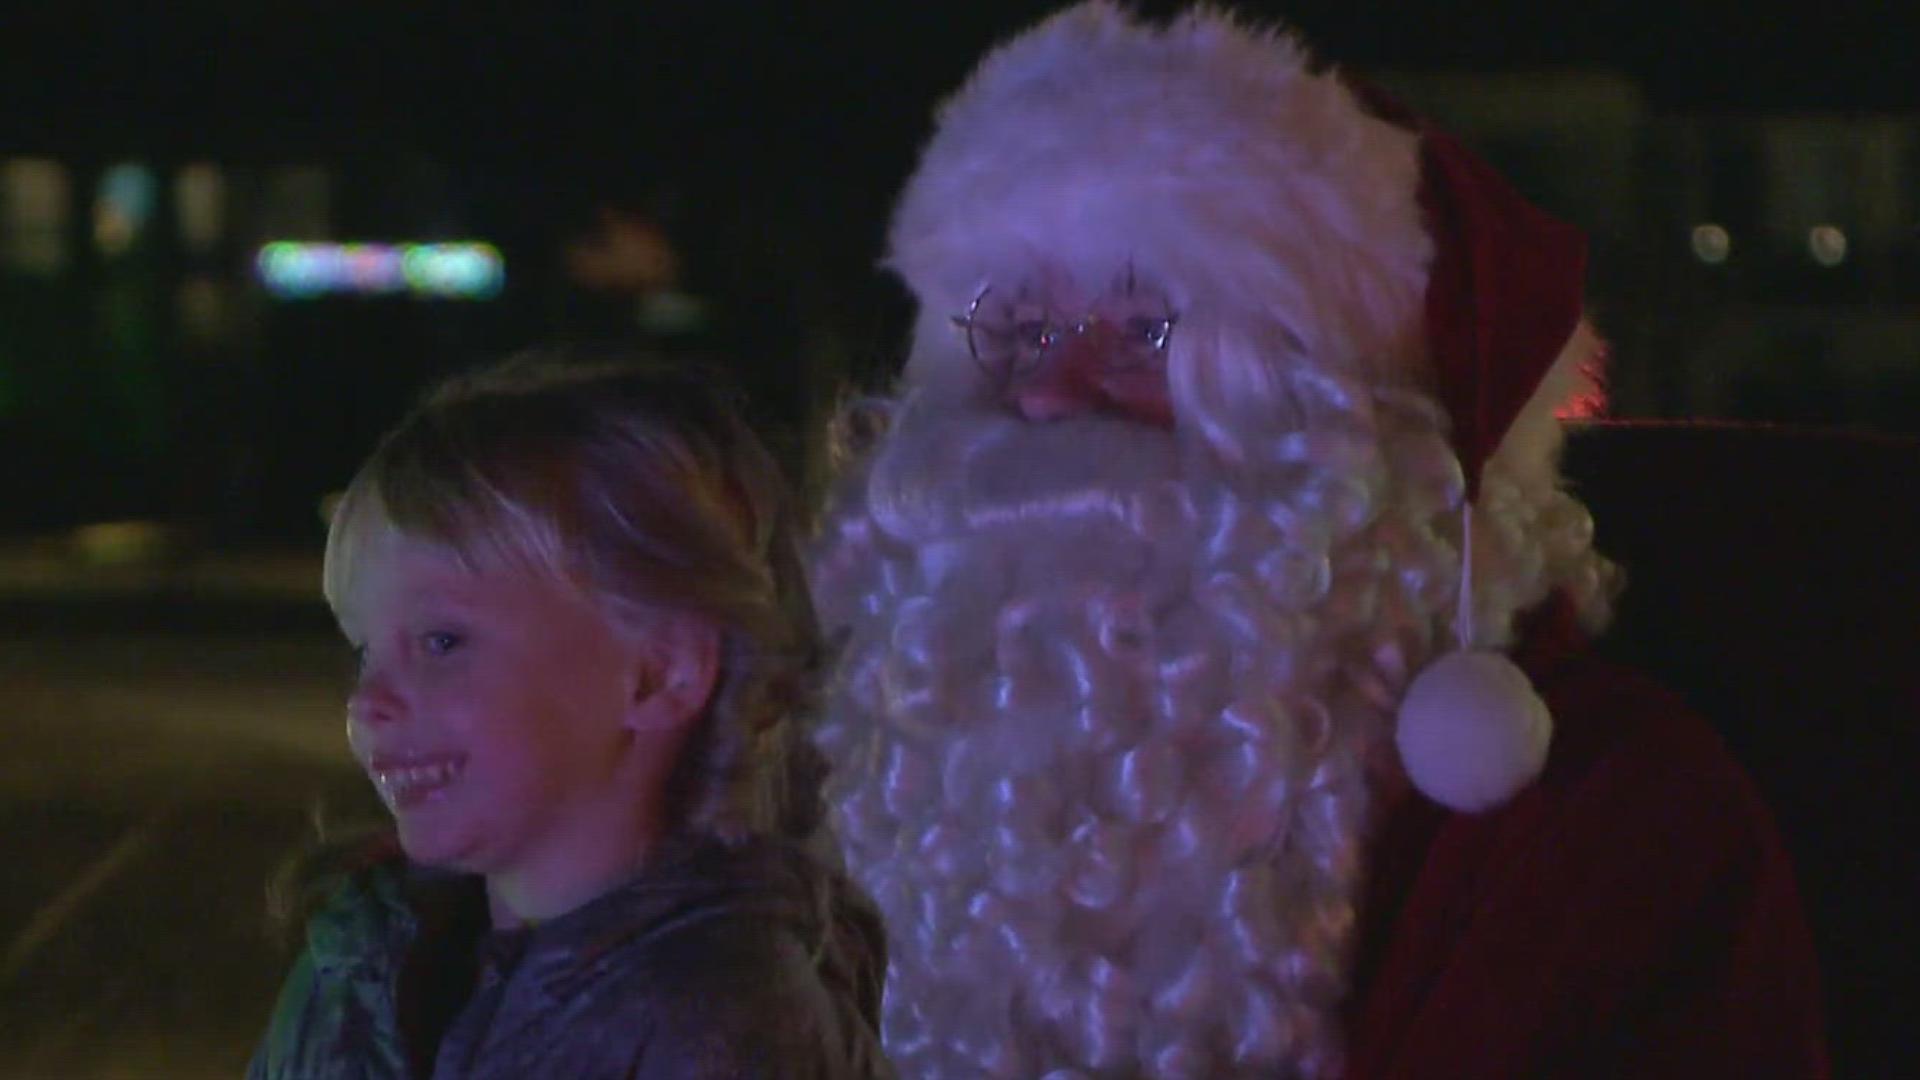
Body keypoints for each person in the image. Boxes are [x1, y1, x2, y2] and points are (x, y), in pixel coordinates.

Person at [808, 4, 1828, 1077]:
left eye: (1146, 330)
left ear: (1360, 431)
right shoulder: (850, 828)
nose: (1051, 396)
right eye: (1015, 330)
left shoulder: (1623, 829)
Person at [250, 347, 893, 1078]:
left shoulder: (719, 1028)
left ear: (660, 672)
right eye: (366, 650)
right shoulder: (359, 963)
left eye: (441, 641)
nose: (369, 703)